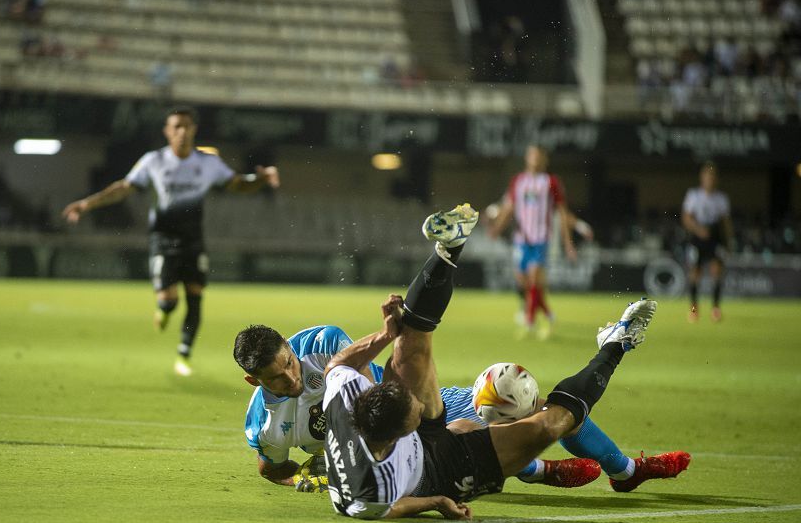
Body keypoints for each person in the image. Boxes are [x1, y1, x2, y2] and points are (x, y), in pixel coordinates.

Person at [322, 203, 665, 520]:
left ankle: (449, 248)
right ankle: (616, 344)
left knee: (409, 340)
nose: (418, 398)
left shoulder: (344, 398)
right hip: (438, 472)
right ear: (400, 433)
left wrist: (384, 336)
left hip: (402, 439)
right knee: (552, 423)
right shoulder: (372, 494)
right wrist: (437, 502)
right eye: (413, 408)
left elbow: (336, 365)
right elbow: (393, 507)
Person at [234, 324, 687, 494]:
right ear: (254, 382)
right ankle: (543, 472)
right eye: (277, 378)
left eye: (289, 363)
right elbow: (271, 469)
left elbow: (381, 403)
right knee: (477, 436)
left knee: (520, 398)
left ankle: (626, 470)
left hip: (412, 414)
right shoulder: (265, 426)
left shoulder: (321, 345)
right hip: (406, 465)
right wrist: (305, 474)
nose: (292, 378)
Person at [62, 106, 280, 376]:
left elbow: (237, 183)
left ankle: (183, 355)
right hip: (163, 239)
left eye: (187, 126)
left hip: (193, 240)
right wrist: (86, 204)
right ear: (167, 131)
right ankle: (163, 309)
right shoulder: (153, 161)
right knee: (169, 300)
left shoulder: (208, 163)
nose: (182, 131)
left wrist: (259, 179)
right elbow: (123, 188)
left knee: (196, 296)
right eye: (176, 126)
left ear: (194, 130)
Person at [486, 145, 581, 339]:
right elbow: (509, 208)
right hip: (521, 240)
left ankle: (529, 323)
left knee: (534, 276)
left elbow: (562, 212)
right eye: (532, 156)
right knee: (525, 283)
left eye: (538, 156)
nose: (535, 159)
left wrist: (568, 241)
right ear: (527, 158)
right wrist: (497, 228)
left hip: (542, 239)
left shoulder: (551, 182)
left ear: (544, 159)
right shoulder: (518, 181)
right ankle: (548, 315)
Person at [682, 162, 734, 322]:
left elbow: (725, 222)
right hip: (698, 238)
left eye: (712, 176)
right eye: (707, 175)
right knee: (695, 274)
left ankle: (715, 309)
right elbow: (686, 217)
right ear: (702, 177)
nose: (710, 179)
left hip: (714, 237)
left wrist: (729, 241)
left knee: (717, 271)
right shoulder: (693, 195)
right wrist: (698, 230)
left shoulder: (721, 198)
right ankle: (693, 309)